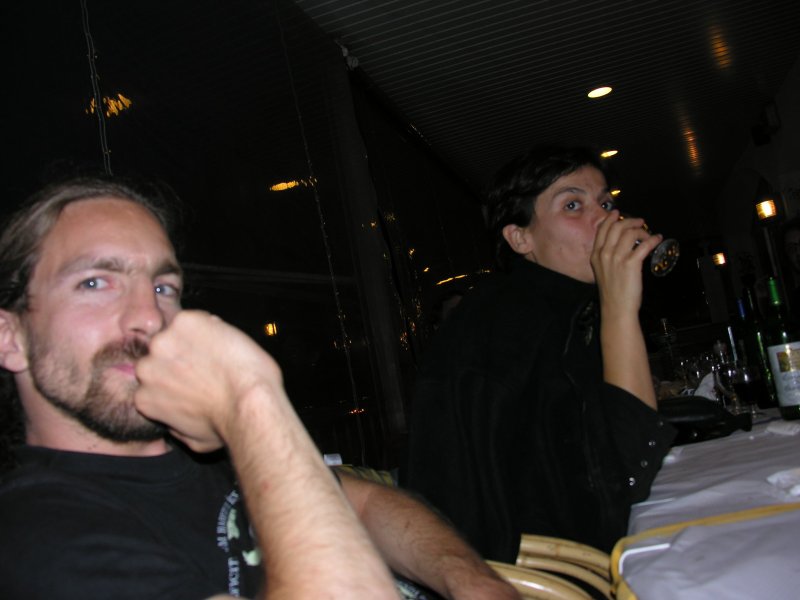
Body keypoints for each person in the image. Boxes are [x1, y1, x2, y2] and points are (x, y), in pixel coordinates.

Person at [0, 175, 518, 600]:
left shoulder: (206, 453)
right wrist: (249, 398)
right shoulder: (37, 538)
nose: (150, 318)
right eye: (94, 283)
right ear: (11, 338)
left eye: (163, 287)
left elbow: (362, 505)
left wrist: (471, 581)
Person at [405, 145, 677, 562]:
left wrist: (617, 307)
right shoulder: (506, 322)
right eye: (573, 205)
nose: (606, 219)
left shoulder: (572, 312)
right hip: (539, 576)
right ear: (520, 238)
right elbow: (626, 468)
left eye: (606, 203)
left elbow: (628, 459)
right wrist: (620, 307)